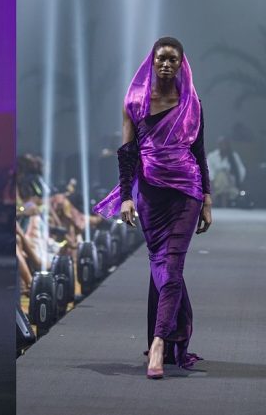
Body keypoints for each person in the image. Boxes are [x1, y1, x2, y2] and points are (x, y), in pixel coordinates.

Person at [94, 37, 211, 379]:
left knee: (172, 265)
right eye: (161, 58)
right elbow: (127, 153)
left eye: (173, 59)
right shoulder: (135, 102)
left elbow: (199, 153)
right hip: (149, 195)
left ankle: (159, 343)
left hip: (187, 192)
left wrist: (207, 198)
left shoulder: (192, 104)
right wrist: (126, 197)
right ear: (152, 61)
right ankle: (177, 336)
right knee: (163, 266)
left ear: (181, 64)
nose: (166, 64)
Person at [206, 136, 245, 207]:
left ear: (228, 145)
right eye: (221, 144)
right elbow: (208, 170)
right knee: (221, 175)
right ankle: (222, 200)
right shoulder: (212, 156)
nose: (223, 146)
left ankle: (224, 201)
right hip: (215, 183)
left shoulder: (234, 156)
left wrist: (235, 179)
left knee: (224, 176)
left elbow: (241, 170)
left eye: (225, 144)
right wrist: (212, 181)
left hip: (230, 182)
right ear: (218, 145)